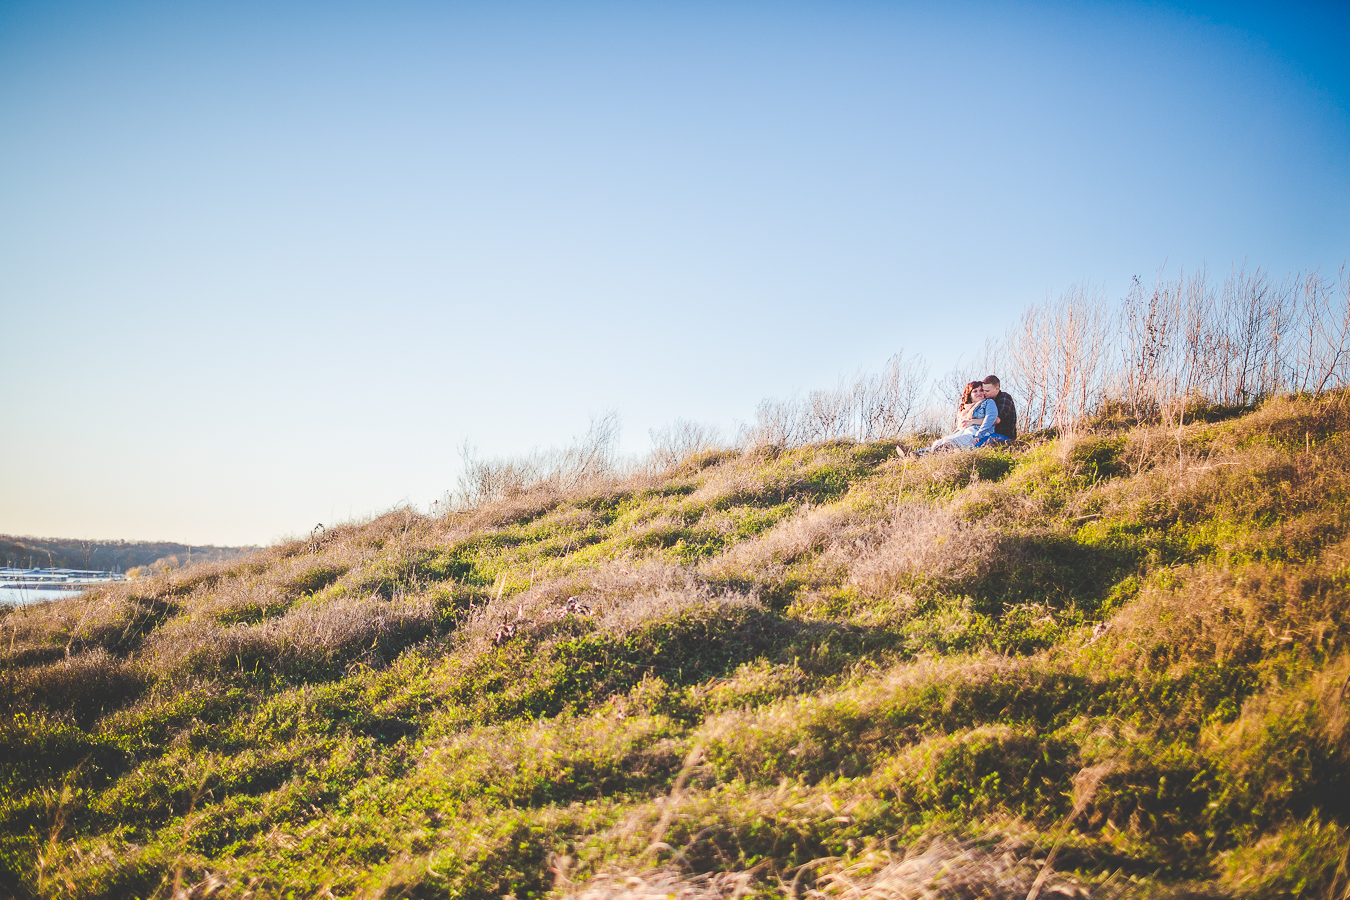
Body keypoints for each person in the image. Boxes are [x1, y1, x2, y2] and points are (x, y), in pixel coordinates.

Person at [901, 382, 998, 456]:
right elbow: (960, 428)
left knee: (949, 443)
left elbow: (990, 419)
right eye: (975, 391)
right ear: (970, 395)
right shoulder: (965, 409)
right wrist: (951, 435)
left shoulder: (988, 402)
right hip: (964, 432)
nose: (979, 393)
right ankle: (913, 453)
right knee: (939, 442)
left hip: (977, 433)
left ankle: (921, 454)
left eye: (981, 390)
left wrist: (979, 435)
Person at [980, 375, 1017, 444]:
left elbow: (996, 420)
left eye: (987, 391)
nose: (984, 393)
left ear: (997, 389)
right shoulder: (985, 401)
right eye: (983, 390)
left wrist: (973, 422)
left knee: (978, 446)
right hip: (987, 434)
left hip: (1003, 436)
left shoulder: (1005, 398)